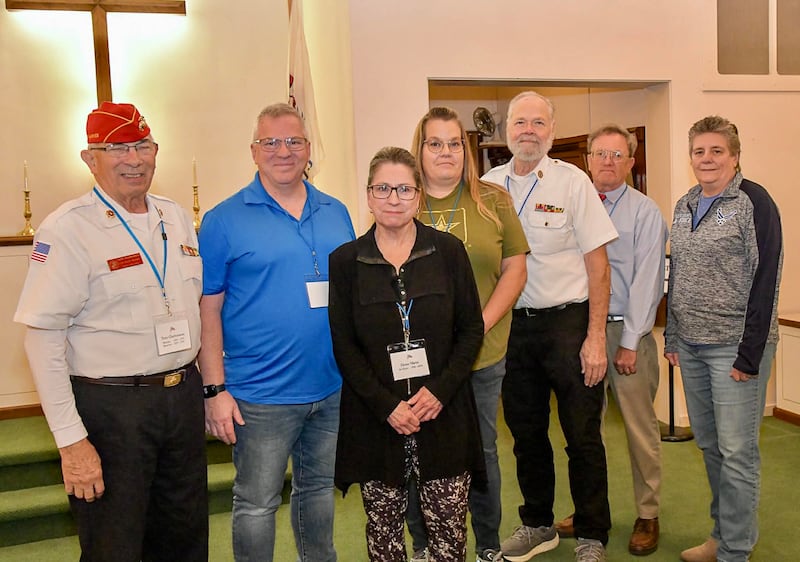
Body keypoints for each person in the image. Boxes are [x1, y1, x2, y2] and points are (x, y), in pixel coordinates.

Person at [14, 101, 207, 561]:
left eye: (142, 145)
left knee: (184, 537)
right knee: (113, 545)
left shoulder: (175, 217)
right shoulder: (67, 230)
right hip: (112, 410)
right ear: (89, 158)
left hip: (179, 400)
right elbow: (41, 340)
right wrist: (71, 441)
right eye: (117, 148)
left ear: (156, 150)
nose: (133, 159)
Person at [197, 103, 355, 562]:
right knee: (256, 504)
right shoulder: (223, 220)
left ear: (308, 149)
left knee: (319, 493)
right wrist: (214, 390)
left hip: (330, 388)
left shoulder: (337, 212)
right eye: (271, 142)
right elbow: (208, 308)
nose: (283, 151)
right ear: (253, 151)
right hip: (258, 395)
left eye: (294, 141)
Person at [328, 146, 485, 562]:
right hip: (378, 420)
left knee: (449, 534)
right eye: (383, 188)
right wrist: (387, 406)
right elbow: (344, 346)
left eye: (403, 189)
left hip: (444, 414)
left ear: (418, 196)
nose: (393, 199)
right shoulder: (346, 262)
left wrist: (440, 392)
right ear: (368, 195)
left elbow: (471, 329)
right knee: (384, 535)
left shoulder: (449, 252)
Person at [482, 91, 618, 562]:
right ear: (506, 131)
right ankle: (538, 523)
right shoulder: (487, 187)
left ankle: (592, 533)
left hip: (569, 324)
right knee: (525, 433)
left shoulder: (573, 183)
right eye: (520, 122)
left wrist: (596, 337)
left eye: (539, 123)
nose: (529, 131)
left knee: (582, 435)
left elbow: (599, 266)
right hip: (511, 330)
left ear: (552, 132)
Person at [406, 106, 529, 562]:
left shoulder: (493, 201)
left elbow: (515, 269)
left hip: (482, 353)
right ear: (419, 149)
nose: (445, 152)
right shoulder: (403, 200)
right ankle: (424, 545)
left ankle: (488, 546)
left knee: (480, 451)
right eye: (434, 143)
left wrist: (477, 325)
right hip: (420, 359)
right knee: (421, 453)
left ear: (466, 149)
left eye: (454, 143)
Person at [665, 115, 782, 562]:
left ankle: (736, 551)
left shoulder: (754, 201)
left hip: (735, 346)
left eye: (717, 151)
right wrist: (673, 335)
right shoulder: (685, 203)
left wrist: (749, 353)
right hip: (691, 345)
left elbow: (767, 276)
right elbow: (679, 273)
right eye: (699, 151)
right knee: (711, 446)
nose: (707, 159)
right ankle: (721, 536)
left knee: (737, 452)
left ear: (734, 157)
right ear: (690, 156)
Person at [554, 124, 668, 556]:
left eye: (618, 155)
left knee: (640, 431)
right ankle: (588, 512)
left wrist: (629, 340)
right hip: (578, 330)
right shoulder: (571, 205)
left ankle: (648, 514)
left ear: (631, 162)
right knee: (583, 431)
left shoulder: (644, 212)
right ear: (587, 160)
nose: (608, 162)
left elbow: (647, 281)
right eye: (600, 153)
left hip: (626, 333)